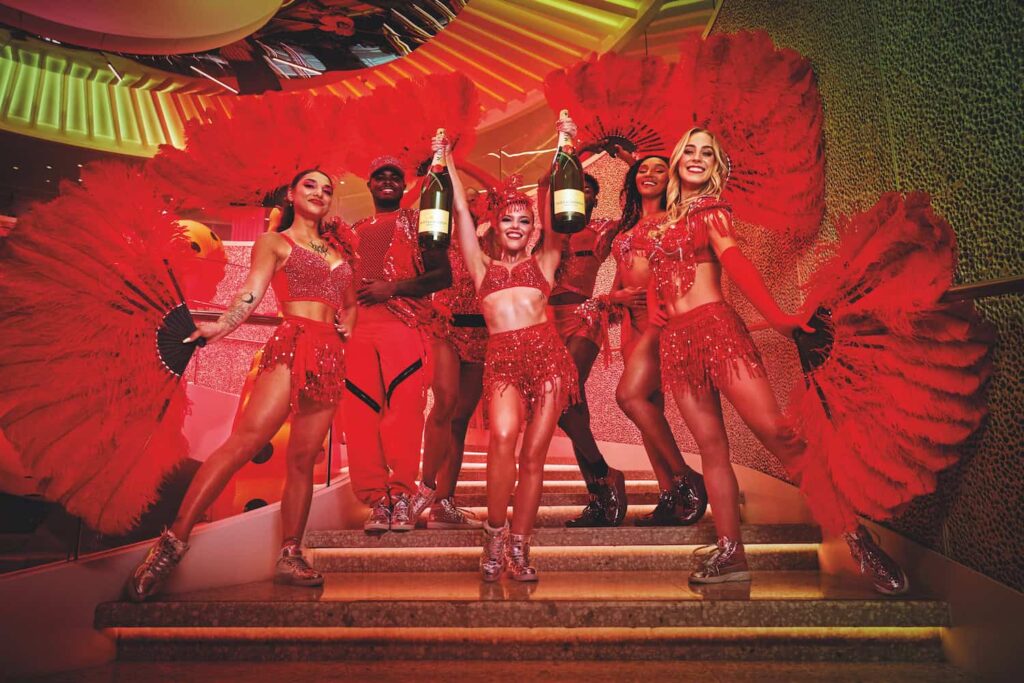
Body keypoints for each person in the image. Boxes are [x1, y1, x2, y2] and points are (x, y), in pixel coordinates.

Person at [125, 168, 358, 600]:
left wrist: (348, 326)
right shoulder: (275, 242)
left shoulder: (336, 249)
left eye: (327, 189)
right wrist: (222, 326)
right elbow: (251, 293)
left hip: (330, 356)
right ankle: (171, 544)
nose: (320, 193)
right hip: (294, 344)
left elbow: (349, 302)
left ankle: (291, 554)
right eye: (310, 185)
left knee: (304, 460)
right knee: (244, 442)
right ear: (292, 193)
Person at [647, 128, 812, 583]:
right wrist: (654, 302)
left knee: (777, 433)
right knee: (711, 450)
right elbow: (654, 276)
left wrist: (776, 316)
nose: (697, 158)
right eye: (690, 151)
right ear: (679, 160)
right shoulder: (664, 220)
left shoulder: (712, 210)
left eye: (707, 153)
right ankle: (731, 553)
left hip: (716, 328)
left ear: (715, 166)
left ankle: (855, 536)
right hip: (676, 343)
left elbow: (734, 259)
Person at [442, 123, 578, 582]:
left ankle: (520, 545)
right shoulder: (481, 267)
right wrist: (445, 160)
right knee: (502, 438)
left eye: (524, 220)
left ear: (534, 229)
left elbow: (557, 207)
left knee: (534, 457)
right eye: (508, 219)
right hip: (502, 360)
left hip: (550, 360)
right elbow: (460, 211)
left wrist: (564, 145)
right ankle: (495, 534)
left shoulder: (546, 262)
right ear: (495, 226)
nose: (516, 226)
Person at [343, 157, 452, 533]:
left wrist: (393, 288)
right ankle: (376, 501)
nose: (387, 181)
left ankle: (402, 494)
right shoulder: (354, 230)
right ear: (369, 184)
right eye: (379, 176)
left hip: (403, 325)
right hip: (358, 329)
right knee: (359, 416)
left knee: (403, 412)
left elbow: (442, 275)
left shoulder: (419, 221)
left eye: (395, 176)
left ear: (404, 187)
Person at [609, 155, 708, 527]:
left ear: (673, 179)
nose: (649, 175)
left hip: (659, 318)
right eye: (642, 170)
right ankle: (668, 494)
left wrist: (657, 298)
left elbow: (679, 265)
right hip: (630, 325)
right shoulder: (625, 229)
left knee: (629, 396)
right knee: (646, 408)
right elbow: (619, 281)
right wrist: (615, 297)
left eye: (659, 169)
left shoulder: (674, 220)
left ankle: (686, 478)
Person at [540, 173, 627, 527]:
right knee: (574, 410)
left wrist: (627, 160)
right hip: (545, 322)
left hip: (584, 316)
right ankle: (599, 492)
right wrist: (572, 153)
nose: (583, 194)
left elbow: (640, 210)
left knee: (561, 394)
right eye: (576, 188)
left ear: (594, 200)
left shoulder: (604, 229)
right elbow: (546, 183)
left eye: (590, 190)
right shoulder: (546, 232)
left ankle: (606, 477)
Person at [407, 223, 495, 530]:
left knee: (460, 420)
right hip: (444, 329)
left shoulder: (493, 244)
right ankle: (426, 487)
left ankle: (444, 501)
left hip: (482, 333)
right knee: (444, 403)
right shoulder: (435, 242)